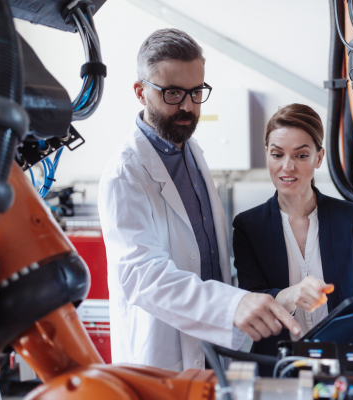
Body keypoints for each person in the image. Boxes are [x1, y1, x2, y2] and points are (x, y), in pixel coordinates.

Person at [97, 29, 300, 371]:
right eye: (173, 93)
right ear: (140, 91)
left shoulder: (191, 150)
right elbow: (142, 276)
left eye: (196, 92)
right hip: (160, 355)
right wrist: (229, 306)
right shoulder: (125, 172)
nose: (188, 107)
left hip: (211, 346)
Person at [232, 103, 353, 358]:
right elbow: (252, 299)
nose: (287, 167)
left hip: (343, 363)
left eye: (301, 155)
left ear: (319, 157)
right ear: (267, 155)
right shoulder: (248, 226)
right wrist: (291, 295)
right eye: (277, 154)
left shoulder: (352, 218)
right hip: (278, 364)